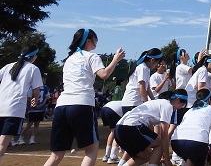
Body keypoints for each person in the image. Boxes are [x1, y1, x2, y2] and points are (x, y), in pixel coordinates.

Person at [42, 29, 125, 166]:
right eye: (95, 39)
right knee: (91, 150)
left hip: (61, 106)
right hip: (81, 104)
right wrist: (115, 59)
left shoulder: (69, 59)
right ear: (88, 41)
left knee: (56, 154)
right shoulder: (91, 57)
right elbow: (104, 75)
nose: (97, 42)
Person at [114, 89, 187, 166]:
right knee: (160, 143)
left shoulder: (158, 103)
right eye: (182, 105)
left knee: (147, 156)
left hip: (119, 129)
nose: (180, 108)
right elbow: (164, 136)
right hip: (130, 127)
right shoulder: (168, 106)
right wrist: (167, 160)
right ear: (177, 100)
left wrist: (159, 155)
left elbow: (155, 134)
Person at [0, 45, 43, 162]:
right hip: (14, 108)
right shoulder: (33, 68)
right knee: (3, 143)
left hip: (1, 105)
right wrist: (35, 99)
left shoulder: (8, 66)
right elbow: (36, 91)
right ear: (33, 56)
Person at [171, 88, 211, 166]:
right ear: (210, 100)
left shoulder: (190, 111)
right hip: (197, 142)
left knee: (190, 160)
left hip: (176, 142)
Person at [121, 48, 163, 113]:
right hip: (132, 103)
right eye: (157, 63)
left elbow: (148, 88)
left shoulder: (147, 69)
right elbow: (142, 87)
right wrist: (146, 103)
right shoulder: (142, 68)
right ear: (152, 60)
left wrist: (154, 101)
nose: (156, 65)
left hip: (136, 103)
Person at [17, 73, 50, 145]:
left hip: (41, 108)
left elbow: (46, 97)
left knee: (37, 123)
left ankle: (32, 138)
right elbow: (28, 98)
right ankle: (21, 138)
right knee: (30, 124)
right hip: (33, 109)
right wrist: (34, 104)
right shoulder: (32, 87)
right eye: (43, 79)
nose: (44, 80)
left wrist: (42, 104)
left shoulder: (46, 88)